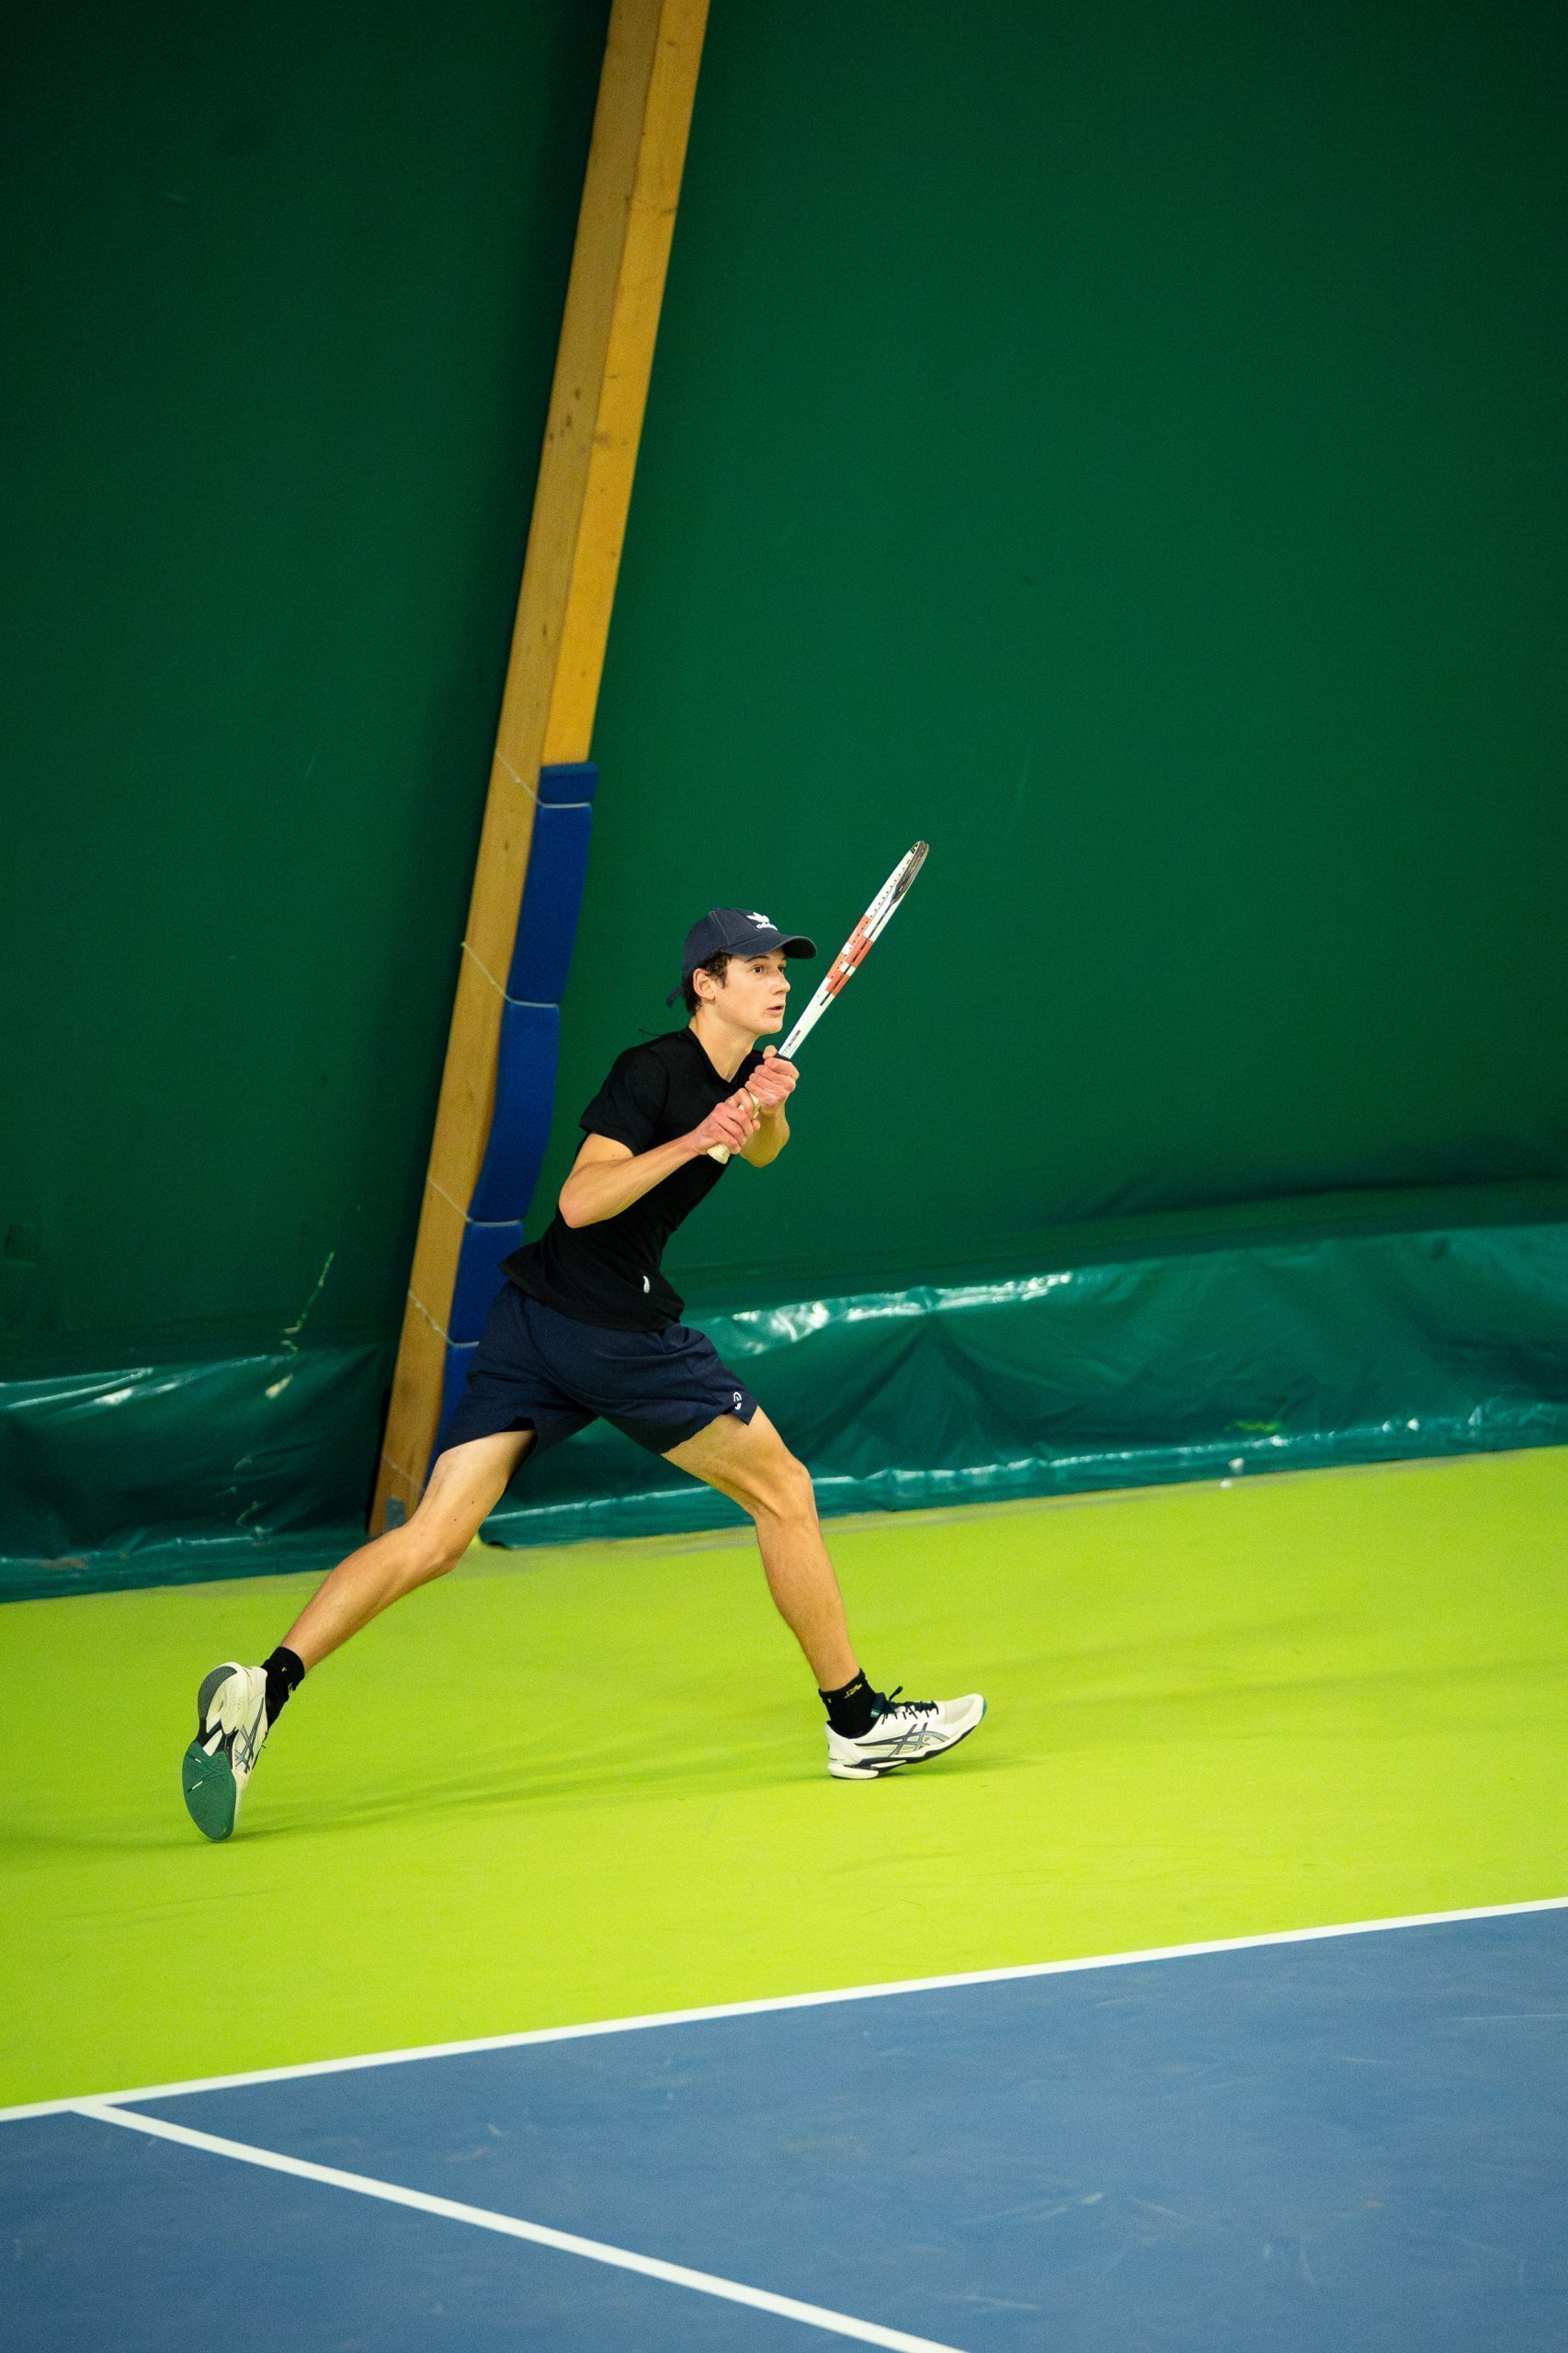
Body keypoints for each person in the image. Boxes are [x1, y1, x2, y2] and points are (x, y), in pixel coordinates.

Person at [182, 907, 985, 1840]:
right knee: (783, 1491)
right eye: (758, 967)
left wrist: (765, 1106)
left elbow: (764, 1150)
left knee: (436, 1537)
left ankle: (263, 1691)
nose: (779, 981)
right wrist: (694, 1136)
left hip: (532, 1323)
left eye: (782, 967)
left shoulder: (739, 1074)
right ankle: (856, 1723)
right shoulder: (651, 1071)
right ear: (705, 983)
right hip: (610, 1330)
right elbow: (579, 1199)